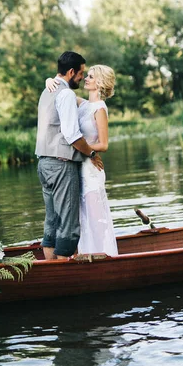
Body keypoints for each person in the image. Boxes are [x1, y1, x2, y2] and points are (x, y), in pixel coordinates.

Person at [35, 51, 104, 261]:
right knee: (68, 224)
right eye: (81, 73)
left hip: (43, 164)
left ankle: (50, 272)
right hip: (61, 165)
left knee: (52, 222)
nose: (82, 78)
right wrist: (91, 153)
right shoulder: (65, 94)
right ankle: (63, 275)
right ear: (71, 71)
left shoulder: (47, 90)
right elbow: (72, 135)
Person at [46, 64, 118, 257]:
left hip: (91, 170)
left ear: (100, 83)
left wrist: (82, 149)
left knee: (96, 218)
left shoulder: (100, 109)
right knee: (82, 217)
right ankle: (86, 255)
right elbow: (61, 92)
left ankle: (104, 256)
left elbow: (103, 144)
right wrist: (49, 80)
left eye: (91, 77)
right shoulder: (83, 104)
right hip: (79, 167)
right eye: (86, 75)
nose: (85, 78)